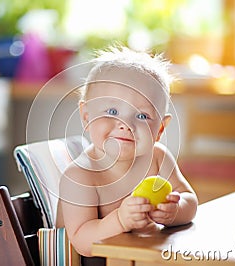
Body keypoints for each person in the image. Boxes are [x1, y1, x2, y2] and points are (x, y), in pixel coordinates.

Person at [57, 45, 198, 263]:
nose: (125, 124)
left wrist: (174, 212)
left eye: (142, 116)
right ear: (86, 116)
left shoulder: (158, 158)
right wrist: (121, 221)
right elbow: (81, 241)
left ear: (160, 129)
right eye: (112, 112)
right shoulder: (80, 176)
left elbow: (190, 201)